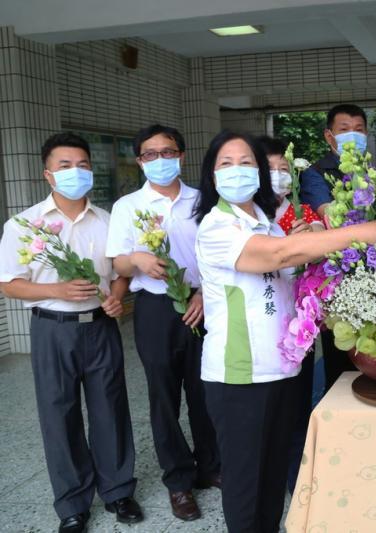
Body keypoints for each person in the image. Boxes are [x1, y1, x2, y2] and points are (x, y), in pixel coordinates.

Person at [194, 130, 376, 532]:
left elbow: (284, 260)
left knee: (272, 476)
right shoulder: (216, 227)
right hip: (240, 375)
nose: (237, 171)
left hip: (281, 369)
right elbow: (278, 256)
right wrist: (363, 231)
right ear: (211, 175)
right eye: (226, 164)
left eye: (247, 163)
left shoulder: (267, 225)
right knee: (245, 484)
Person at [0, 133, 142, 533]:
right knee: (59, 415)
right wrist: (55, 290)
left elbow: (120, 275)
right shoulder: (25, 225)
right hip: (52, 331)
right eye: (65, 166)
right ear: (48, 175)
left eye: (82, 164)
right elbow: (9, 282)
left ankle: (118, 492)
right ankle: (72, 504)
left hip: (99, 330)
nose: (75, 172)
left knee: (110, 410)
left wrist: (116, 299)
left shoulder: (109, 222)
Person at [106, 124, 219, 521]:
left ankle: (210, 466)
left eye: (167, 152)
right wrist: (137, 259)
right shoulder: (127, 207)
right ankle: (179, 482)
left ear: (182, 156)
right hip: (154, 309)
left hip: (203, 303)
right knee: (164, 397)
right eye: (150, 154)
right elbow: (117, 261)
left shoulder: (204, 200)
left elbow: (217, 254)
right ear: (139, 161)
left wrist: (205, 292)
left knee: (206, 390)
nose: (159, 160)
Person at [260, 135, 323, 495]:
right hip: (260, 323)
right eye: (270, 169)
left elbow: (319, 238)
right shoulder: (245, 217)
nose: (279, 176)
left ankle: (297, 483)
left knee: (297, 402)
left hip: (300, 322)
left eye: (284, 169)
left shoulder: (301, 212)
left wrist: (310, 234)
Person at [299, 104, 368, 390]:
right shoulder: (315, 174)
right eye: (344, 130)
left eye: (359, 130)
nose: (353, 135)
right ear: (329, 136)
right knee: (342, 361)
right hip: (337, 280)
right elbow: (330, 216)